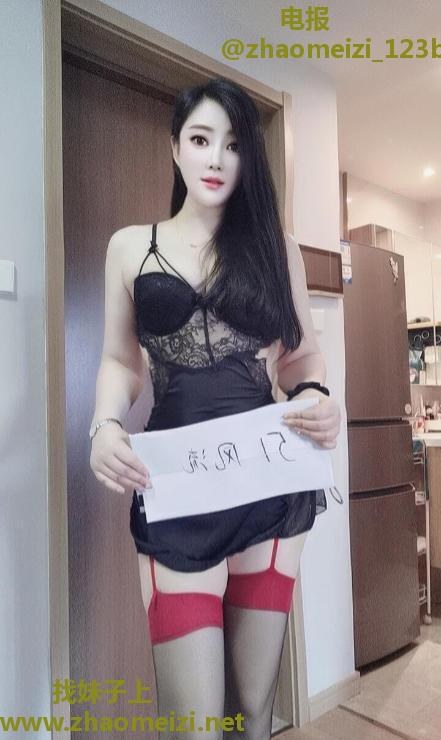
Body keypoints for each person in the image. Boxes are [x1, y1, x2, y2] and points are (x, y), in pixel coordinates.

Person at [89, 77, 341, 739]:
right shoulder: (129, 246)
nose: (216, 158)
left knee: (253, 711)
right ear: (175, 147)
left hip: (268, 484)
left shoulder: (276, 248)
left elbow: (301, 358)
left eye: (233, 145)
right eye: (201, 140)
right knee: (194, 722)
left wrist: (316, 396)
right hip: (176, 489)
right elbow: (120, 361)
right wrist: (104, 424)